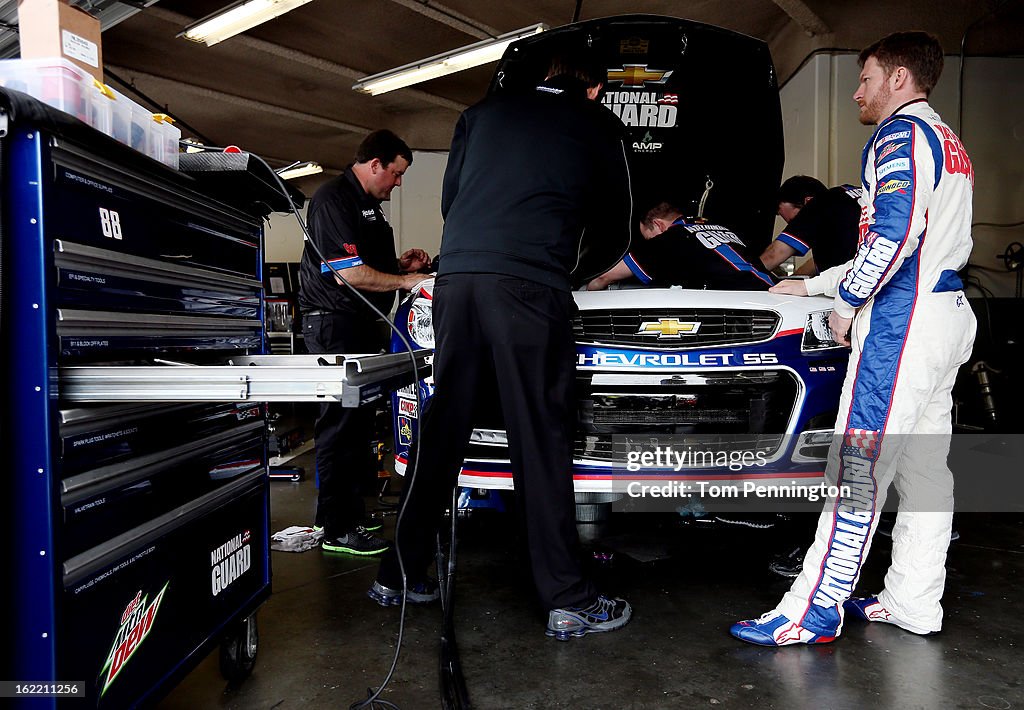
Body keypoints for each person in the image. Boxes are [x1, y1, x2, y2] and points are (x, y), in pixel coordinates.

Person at [371, 51, 634, 639]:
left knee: (444, 429)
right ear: (594, 90)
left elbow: (452, 201)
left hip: (457, 283)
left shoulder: (481, 114)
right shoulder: (598, 123)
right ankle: (567, 596)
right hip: (528, 287)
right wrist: (567, 270)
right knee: (538, 434)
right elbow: (617, 225)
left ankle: (400, 573)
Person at [731, 31, 976, 646]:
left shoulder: (899, 134)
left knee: (858, 465)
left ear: (898, 79)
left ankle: (812, 610)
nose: (857, 92)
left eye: (866, 78)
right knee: (924, 470)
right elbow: (911, 245)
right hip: (945, 312)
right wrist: (814, 287)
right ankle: (913, 601)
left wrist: (843, 300)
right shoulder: (947, 140)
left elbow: (891, 239)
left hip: (905, 322)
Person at [298, 129, 431, 555]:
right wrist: (409, 279)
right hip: (335, 325)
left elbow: (363, 266)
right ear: (375, 164)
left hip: (359, 325)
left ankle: (349, 515)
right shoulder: (332, 198)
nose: (398, 183)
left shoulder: (367, 206)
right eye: (396, 173)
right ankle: (336, 529)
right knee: (338, 425)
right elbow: (346, 274)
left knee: (356, 427)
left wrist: (397, 265)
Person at [587, 202, 773, 291]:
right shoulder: (721, 227)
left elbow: (604, 277)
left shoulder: (670, 238)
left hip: (742, 304)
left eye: (649, 237)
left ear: (659, 225)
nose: (650, 242)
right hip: (771, 290)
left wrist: (586, 295)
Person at [760, 176, 861, 275]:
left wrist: (747, 274)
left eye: (794, 221)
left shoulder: (818, 204)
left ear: (808, 201)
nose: (795, 227)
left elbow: (773, 255)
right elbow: (823, 261)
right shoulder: (851, 196)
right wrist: (793, 279)